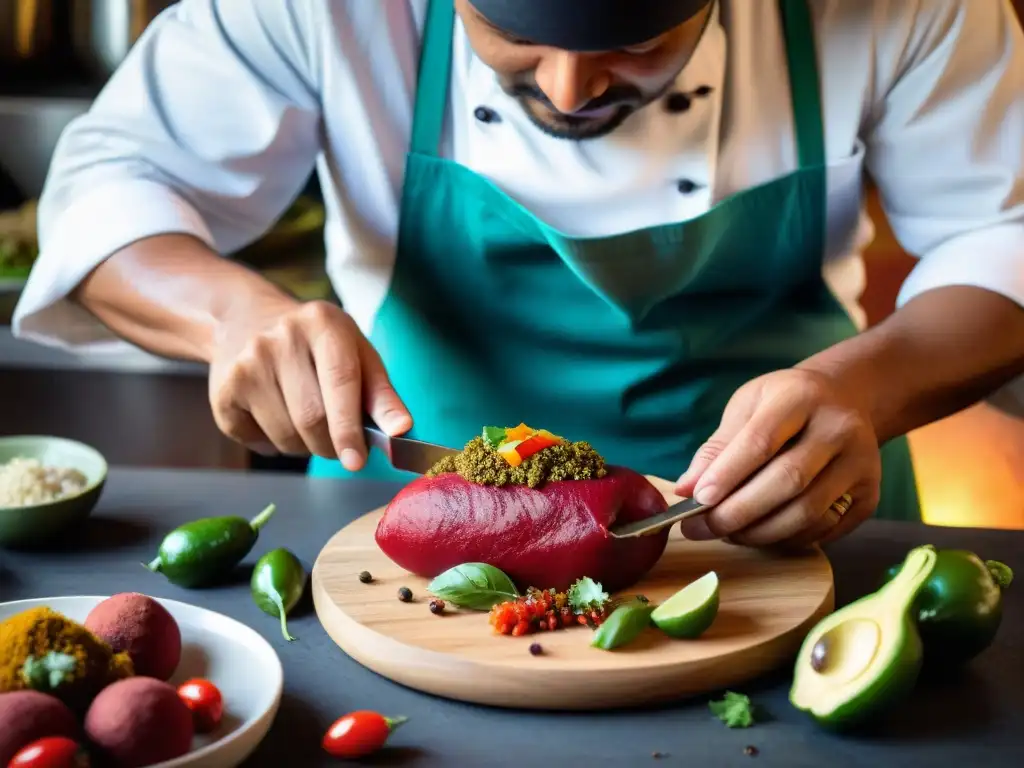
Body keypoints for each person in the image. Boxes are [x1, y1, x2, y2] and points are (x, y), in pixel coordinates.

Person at [13, 0, 1024, 548]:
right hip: (403, 524)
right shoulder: (312, 9)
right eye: (517, 41)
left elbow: (1004, 236)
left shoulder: (902, 6)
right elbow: (113, 187)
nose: (569, 89)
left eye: (637, 43)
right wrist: (229, 316)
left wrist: (864, 391)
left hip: (792, 511)